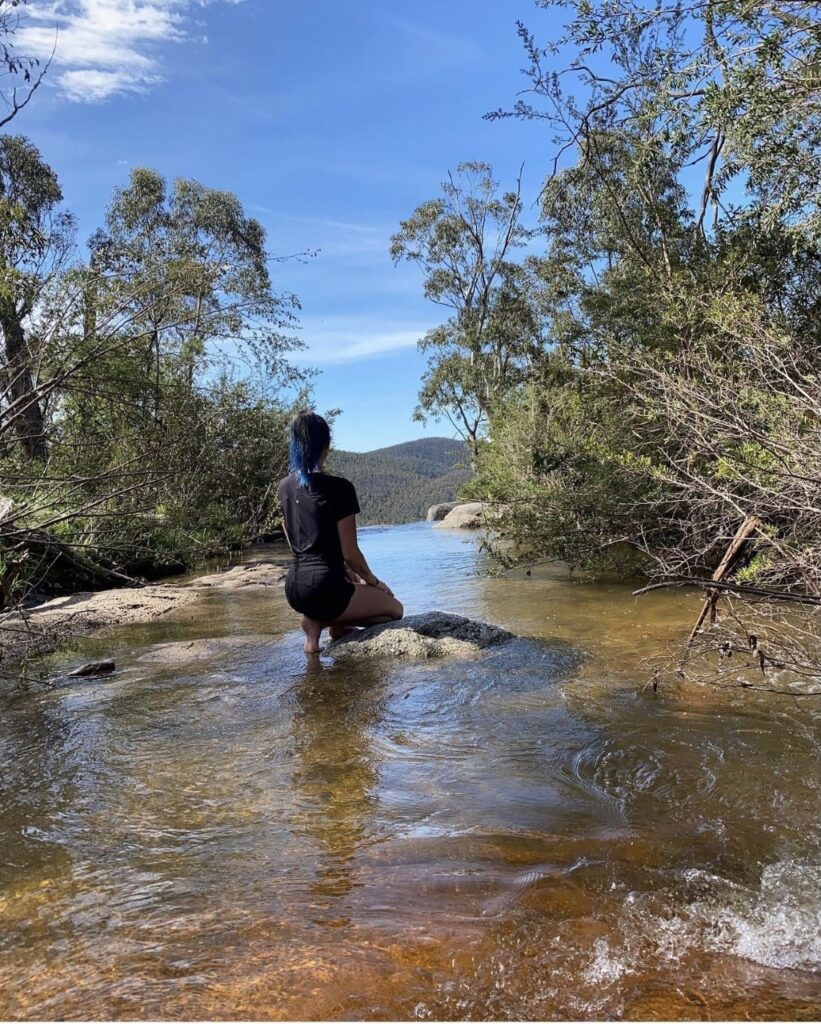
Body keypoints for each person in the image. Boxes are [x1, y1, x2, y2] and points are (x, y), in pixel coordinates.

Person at [277, 410, 403, 653]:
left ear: (295, 445)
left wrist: (344, 573)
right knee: (395, 610)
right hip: (326, 588)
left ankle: (314, 632)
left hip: (295, 589)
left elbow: (292, 537)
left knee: (335, 595)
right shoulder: (340, 488)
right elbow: (350, 553)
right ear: (327, 444)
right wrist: (375, 582)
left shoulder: (284, 487)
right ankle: (327, 621)